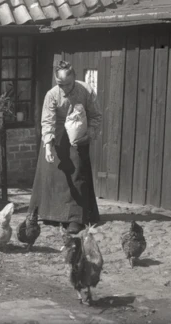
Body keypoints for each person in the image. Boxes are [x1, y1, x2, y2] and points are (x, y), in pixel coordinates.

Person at [28, 60, 102, 234]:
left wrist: (89, 134)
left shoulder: (86, 91)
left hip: (78, 136)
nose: (64, 89)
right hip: (57, 136)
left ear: (74, 79)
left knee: (76, 174)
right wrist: (47, 146)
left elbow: (96, 115)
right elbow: (48, 121)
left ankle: (75, 218)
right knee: (53, 174)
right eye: (60, 84)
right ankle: (51, 214)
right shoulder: (52, 95)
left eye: (68, 85)